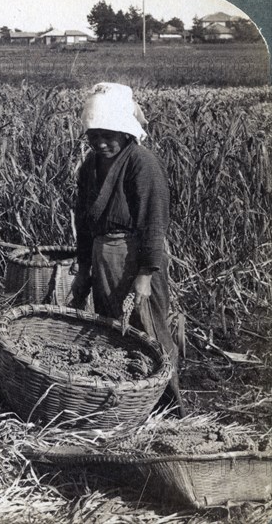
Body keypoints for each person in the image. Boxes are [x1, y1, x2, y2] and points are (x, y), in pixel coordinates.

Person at [71, 82, 185, 417]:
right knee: (114, 330)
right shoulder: (90, 165)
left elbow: (153, 220)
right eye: (94, 136)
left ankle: (168, 405)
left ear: (125, 133)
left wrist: (145, 275)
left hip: (133, 256)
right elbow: (83, 220)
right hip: (102, 254)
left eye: (109, 135)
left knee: (149, 330)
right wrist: (84, 269)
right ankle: (128, 403)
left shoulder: (141, 162)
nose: (101, 143)